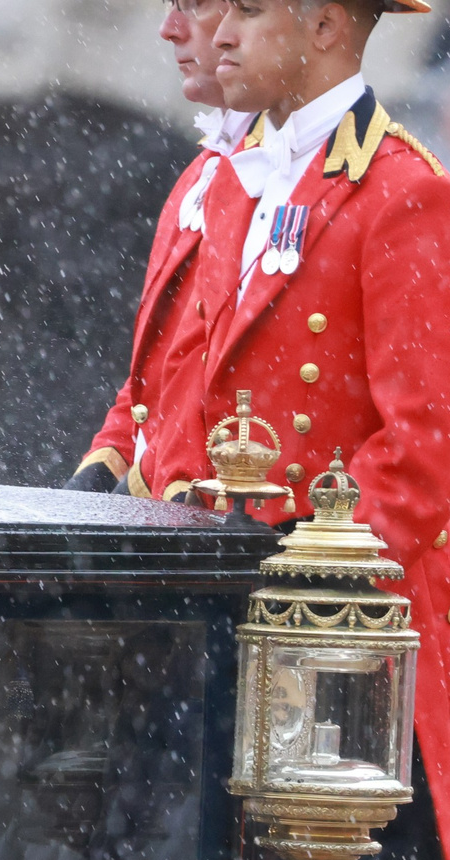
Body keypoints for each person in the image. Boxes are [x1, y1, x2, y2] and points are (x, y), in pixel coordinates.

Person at [169, 0, 450, 860]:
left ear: (318, 24)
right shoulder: (235, 187)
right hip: (239, 631)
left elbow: (424, 455)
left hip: (352, 642)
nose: (214, 30)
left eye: (247, 9)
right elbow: (178, 408)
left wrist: (292, 586)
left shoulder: (407, 195)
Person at [66, 0, 259, 499]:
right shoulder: (203, 172)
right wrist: (103, 469)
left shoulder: (289, 178)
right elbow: (156, 379)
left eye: (195, 3)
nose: (170, 29)